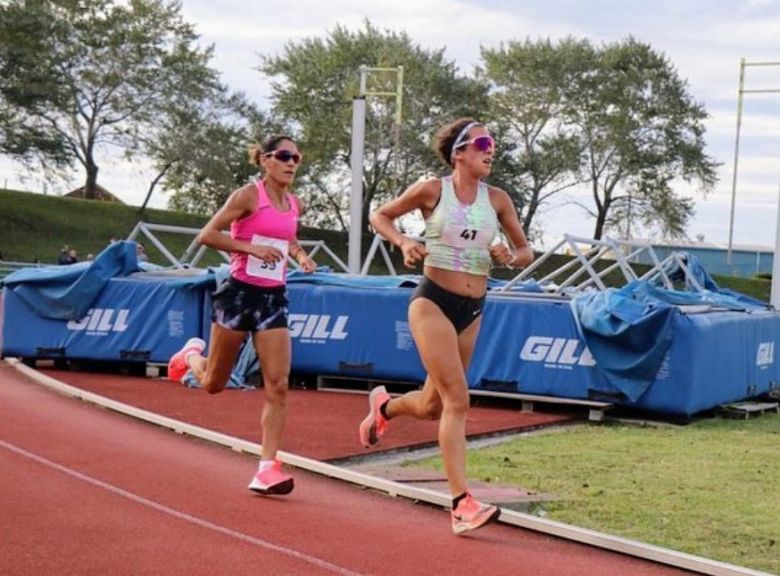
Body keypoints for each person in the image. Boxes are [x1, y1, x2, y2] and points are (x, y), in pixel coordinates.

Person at [360, 118, 534, 535]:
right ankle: (461, 504)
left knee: (432, 405)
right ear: (459, 152)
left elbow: (525, 251)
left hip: (472, 309)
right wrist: (403, 241)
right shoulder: (432, 190)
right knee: (458, 399)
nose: (491, 151)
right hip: (432, 302)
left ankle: (384, 408)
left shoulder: (498, 200)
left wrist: (509, 256)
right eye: (483, 144)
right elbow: (379, 216)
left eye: (492, 145)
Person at [167, 135, 316, 496]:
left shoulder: (295, 203)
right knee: (215, 384)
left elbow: (286, 239)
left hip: (273, 300)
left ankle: (267, 468)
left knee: (278, 383)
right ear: (265, 160)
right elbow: (208, 235)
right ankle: (191, 357)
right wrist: (251, 248)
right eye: (284, 156)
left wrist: (300, 256)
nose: (291, 162)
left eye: (296, 157)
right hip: (238, 295)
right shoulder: (248, 195)